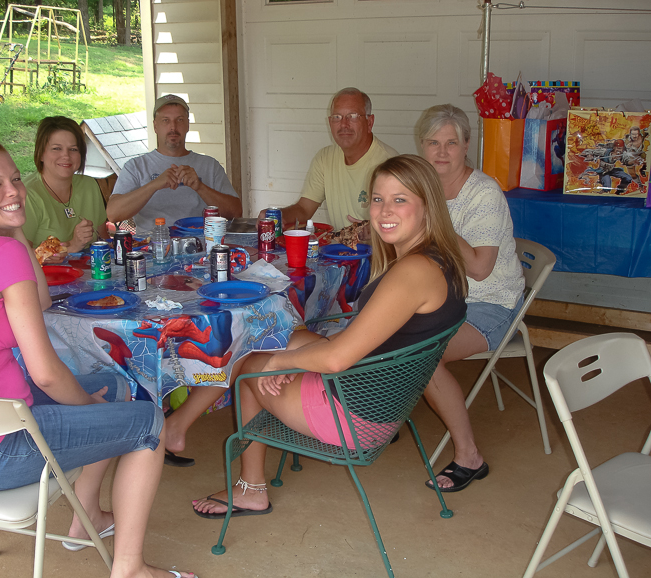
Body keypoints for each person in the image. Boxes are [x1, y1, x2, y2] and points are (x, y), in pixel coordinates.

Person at [0, 139, 194, 578]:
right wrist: (89, 407)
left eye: (15, 179)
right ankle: (130, 569)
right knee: (147, 419)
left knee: (116, 386)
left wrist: (14, 228)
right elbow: (46, 372)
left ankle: (88, 517)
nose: (14, 191)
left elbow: (37, 301)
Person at [193, 154, 467, 518]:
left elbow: (337, 359)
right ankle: (221, 415)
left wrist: (281, 363)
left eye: (400, 199)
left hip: (354, 416)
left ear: (428, 207)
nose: (384, 211)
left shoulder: (413, 271)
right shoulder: (439, 259)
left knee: (250, 368)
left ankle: (251, 490)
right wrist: (295, 358)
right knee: (281, 336)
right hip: (381, 395)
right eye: (377, 199)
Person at [417, 104, 525, 492]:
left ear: (466, 146)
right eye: (433, 142)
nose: (441, 152)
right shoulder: (423, 188)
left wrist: (436, 222)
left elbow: (480, 268)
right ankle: (377, 422)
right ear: (422, 146)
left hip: (489, 302)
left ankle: (469, 456)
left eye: (451, 143)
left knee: (421, 356)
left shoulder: (484, 194)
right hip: (439, 296)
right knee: (378, 332)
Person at [258, 87, 399, 231]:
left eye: (353, 116)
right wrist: (279, 216)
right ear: (330, 123)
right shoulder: (325, 159)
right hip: (338, 251)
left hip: (380, 253)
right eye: (337, 117)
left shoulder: (390, 164)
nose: (344, 124)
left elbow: (401, 222)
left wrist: (375, 231)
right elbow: (304, 209)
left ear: (370, 122)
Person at [107, 94, 242, 231]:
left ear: (188, 125)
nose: (173, 127)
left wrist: (199, 186)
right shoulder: (136, 166)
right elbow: (113, 214)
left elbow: (236, 213)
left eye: (180, 120)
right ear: (155, 126)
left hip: (202, 245)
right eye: (165, 120)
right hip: (153, 247)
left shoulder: (210, 165)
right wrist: (154, 185)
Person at [22, 116, 109, 262]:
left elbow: (103, 239)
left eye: (73, 149)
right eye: (56, 148)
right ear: (41, 153)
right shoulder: (27, 194)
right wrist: (72, 246)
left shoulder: (89, 186)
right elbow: (19, 255)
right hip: (46, 281)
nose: (66, 156)